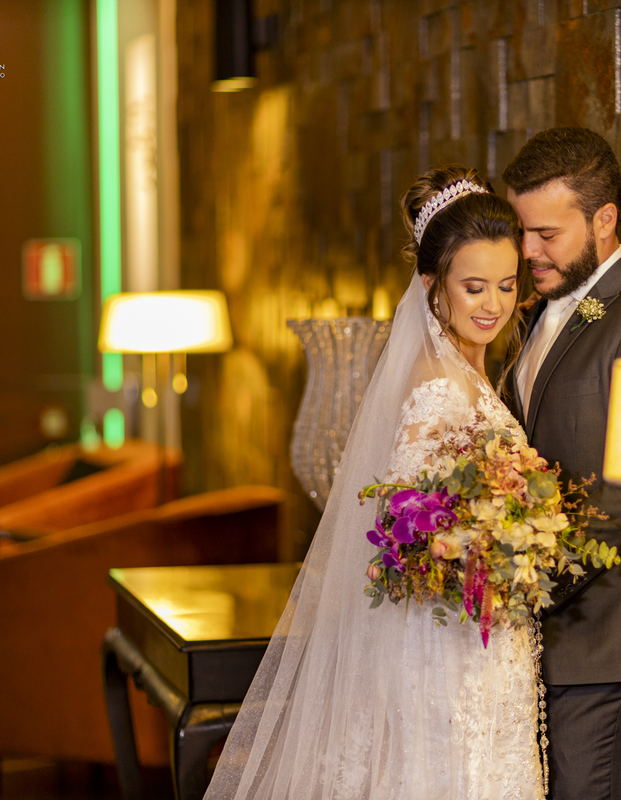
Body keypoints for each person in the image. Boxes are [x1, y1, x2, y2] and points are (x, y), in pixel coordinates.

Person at [203, 166, 544, 800]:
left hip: (483, 636)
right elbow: (403, 532)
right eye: (473, 287)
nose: (493, 304)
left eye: (504, 284)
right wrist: (484, 545)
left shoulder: (470, 377)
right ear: (431, 286)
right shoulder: (436, 387)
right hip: (446, 650)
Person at [502, 127, 621, 800]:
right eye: (522, 231)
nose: (528, 251)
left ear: (604, 219)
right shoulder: (546, 313)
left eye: (547, 234)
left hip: (618, 647)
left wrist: (532, 576)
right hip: (555, 648)